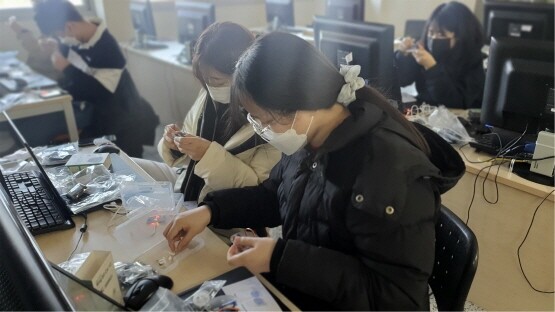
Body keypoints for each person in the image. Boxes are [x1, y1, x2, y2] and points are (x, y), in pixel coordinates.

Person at [163, 32, 465, 310]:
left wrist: (279, 258)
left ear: (298, 103)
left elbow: (396, 299)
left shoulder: (387, 170)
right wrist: (211, 212)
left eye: (263, 120)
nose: (262, 130)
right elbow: (275, 195)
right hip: (305, 290)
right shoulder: (309, 138)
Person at [134, 22, 281, 202]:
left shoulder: (268, 119)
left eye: (217, 81)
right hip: (190, 181)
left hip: (225, 207)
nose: (210, 86)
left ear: (243, 72)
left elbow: (256, 190)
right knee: (127, 169)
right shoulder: (209, 94)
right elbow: (188, 155)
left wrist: (207, 156)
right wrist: (175, 145)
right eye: (205, 79)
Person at [33, 0, 159, 157]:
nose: (61, 38)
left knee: (128, 166)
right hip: (98, 111)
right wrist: (54, 49)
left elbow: (100, 91)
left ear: (69, 27)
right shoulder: (74, 38)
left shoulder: (108, 49)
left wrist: (67, 68)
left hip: (123, 116)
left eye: (60, 34)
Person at [396, 1, 485, 109]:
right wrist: (404, 56)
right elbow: (402, 80)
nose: (433, 38)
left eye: (441, 34)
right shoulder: (425, 49)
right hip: (425, 112)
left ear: (460, 36)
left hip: (459, 119)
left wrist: (432, 68)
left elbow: (458, 101)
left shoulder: (473, 59)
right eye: (431, 32)